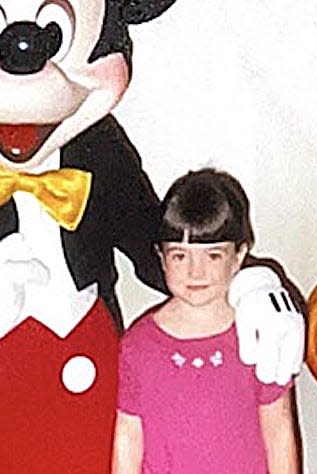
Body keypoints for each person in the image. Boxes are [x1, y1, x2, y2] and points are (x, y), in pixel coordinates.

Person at [113, 168, 301, 473]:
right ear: (161, 257)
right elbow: (128, 436)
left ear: (239, 256)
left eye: (212, 256)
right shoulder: (138, 344)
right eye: (179, 256)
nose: (195, 272)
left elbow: (279, 430)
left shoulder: (260, 334)